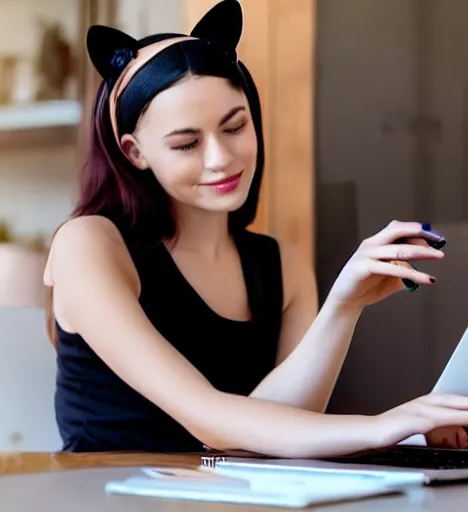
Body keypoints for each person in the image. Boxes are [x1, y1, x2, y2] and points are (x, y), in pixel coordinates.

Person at [44, 0, 468, 455]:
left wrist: (344, 307)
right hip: (104, 497)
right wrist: (387, 425)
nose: (220, 159)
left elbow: (262, 436)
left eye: (235, 127)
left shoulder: (279, 264)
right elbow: (207, 418)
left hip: (220, 496)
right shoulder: (88, 244)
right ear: (134, 152)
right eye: (187, 143)